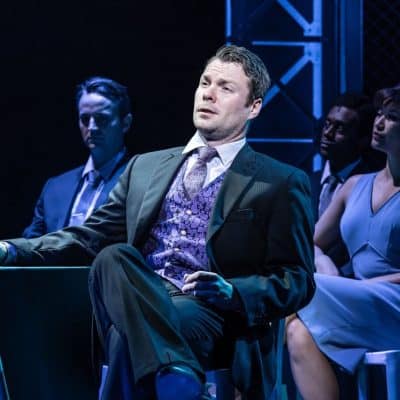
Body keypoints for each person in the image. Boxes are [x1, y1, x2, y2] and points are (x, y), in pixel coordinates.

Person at [0, 45, 315, 400]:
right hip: (141, 294)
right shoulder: (145, 167)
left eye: (225, 88)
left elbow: (297, 279)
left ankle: (172, 372)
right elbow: (89, 237)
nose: (208, 94)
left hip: (207, 312)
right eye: (205, 83)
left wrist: (233, 291)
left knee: (124, 336)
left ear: (253, 107)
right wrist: (11, 249)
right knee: (113, 256)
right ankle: (176, 372)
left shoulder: (279, 181)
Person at [286, 86, 400, 400]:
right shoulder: (354, 185)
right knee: (296, 330)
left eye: (392, 117)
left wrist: (359, 287)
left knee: (291, 290)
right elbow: (309, 244)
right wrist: (325, 265)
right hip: (356, 301)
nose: (380, 123)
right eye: (380, 114)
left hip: (392, 303)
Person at [22, 76, 132, 238]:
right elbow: (29, 244)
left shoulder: (138, 181)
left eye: (102, 119)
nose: (92, 127)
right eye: (85, 119)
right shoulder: (55, 187)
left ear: (125, 123)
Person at [312, 93, 380, 220]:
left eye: (340, 129)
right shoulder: (307, 182)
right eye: (327, 124)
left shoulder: (372, 187)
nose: (327, 133)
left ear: (363, 139)